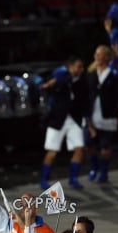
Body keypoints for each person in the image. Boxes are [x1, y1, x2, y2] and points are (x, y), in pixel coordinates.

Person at [39, 55, 88, 189]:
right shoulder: (60, 77)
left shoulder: (81, 81)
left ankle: (73, 178)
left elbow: (84, 101)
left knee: (79, 148)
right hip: (57, 119)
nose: (81, 69)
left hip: (74, 119)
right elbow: (51, 83)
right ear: (70, 67)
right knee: (52, 152)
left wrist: (86, 119)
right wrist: (51, 83)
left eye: (82, 67)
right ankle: (43, 179)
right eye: (78, 67)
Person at [86, 45, 118, 183]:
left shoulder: (113, 75)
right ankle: (94, 167)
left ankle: (104, 172)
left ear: (107, 57)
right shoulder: (91, 74)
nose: (97, 56)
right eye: (96, 53)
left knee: (105, 146)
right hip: (93, 114)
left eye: (100, 54)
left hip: (108, 114)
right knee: (88, 144)